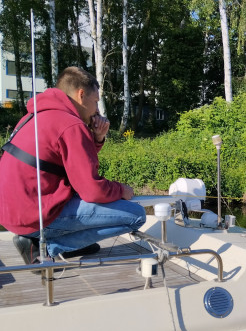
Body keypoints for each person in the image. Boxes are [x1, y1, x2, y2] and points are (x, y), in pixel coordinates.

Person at [0, 66, 145, 265]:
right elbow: (92, 190)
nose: (97, 110)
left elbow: (70, 165)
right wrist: (121, 189)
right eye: (95, 101)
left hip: (11, 212)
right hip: (34, 217)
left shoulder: (32, 117)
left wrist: (97, 138)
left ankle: (70, 244)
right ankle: (48, 248)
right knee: (136, 215)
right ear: (81, 95)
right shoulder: (72, 125)